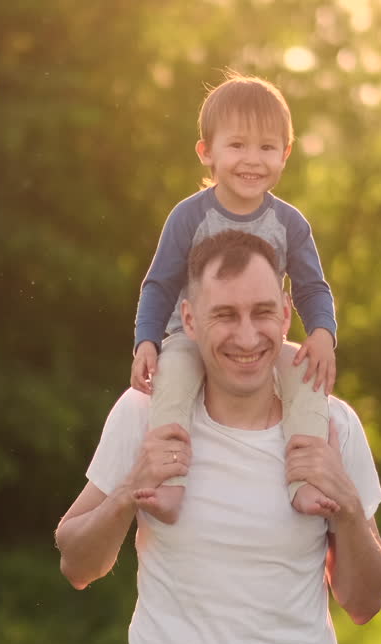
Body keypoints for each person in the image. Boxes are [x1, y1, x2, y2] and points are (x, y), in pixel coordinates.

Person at [56, 230, 381, 644]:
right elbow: (76, 565)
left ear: (285, 311)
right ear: (189, 319)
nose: (247, 336)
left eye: (261, 312)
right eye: (224, 315)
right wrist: (130, 490)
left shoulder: (331, 425)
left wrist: (347, 505)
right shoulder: (144, 415)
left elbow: (364, 603)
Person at [131, 71, 338, 525]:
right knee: (174, 376)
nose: (252, 160)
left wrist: (322, 332)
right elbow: (159, 286)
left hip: (259, 342)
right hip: (192, 339)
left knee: (306, 378)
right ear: (207, 152)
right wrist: (146, 341)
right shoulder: (189, 218)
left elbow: (310, 287)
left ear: (285, 155)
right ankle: (169, 484)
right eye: (237, 146)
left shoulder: (289, 224)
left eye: (267, 148)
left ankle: (305, 483)